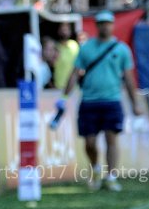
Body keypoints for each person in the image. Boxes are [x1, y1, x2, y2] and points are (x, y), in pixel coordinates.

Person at [56, 10, 141, 191]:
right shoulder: (86, 49)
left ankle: (111, 176)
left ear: (112, 25)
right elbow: (74, 73)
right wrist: (64, 96)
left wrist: (136, 103)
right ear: (97, 26)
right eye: (101, 23)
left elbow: (129, 78)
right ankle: (95, 168)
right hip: (89, 101)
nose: (104, 26)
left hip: (112, 101)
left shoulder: (121, 49)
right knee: (90, 142)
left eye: (108, 23)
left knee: (112, 140)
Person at [52, 22, 80, 92]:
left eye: (66, 29)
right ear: (58, 31)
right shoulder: (54, 47)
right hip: (58, 87)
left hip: (73, 88)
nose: (64, 31)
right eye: (62, 29)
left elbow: (79, 67)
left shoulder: (74, 45)